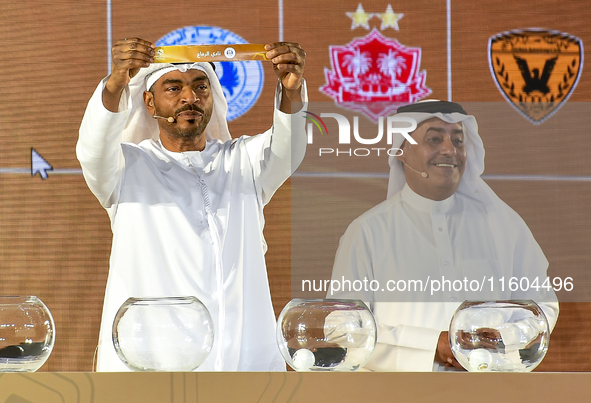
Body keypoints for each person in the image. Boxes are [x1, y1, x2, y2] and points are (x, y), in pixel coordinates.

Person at [77, 37, 307, 371]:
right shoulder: (126, 168)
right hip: (150, 366)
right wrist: (115, 84)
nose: (190, 98)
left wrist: (292, 89)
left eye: (201, 87)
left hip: (241, 362)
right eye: (173, 88)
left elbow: (288, 149)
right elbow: (93, 149)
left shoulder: (242, 162)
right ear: (149, 104)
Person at [329, 100, 558, 371]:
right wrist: (432, 346)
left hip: (491, 391)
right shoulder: (367, 232)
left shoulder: (504, 225)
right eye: (435, 138)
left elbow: (541, 307)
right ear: (401, 151)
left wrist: (502, 339)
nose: (449, 150)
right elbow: (341, 329)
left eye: (458, 141)